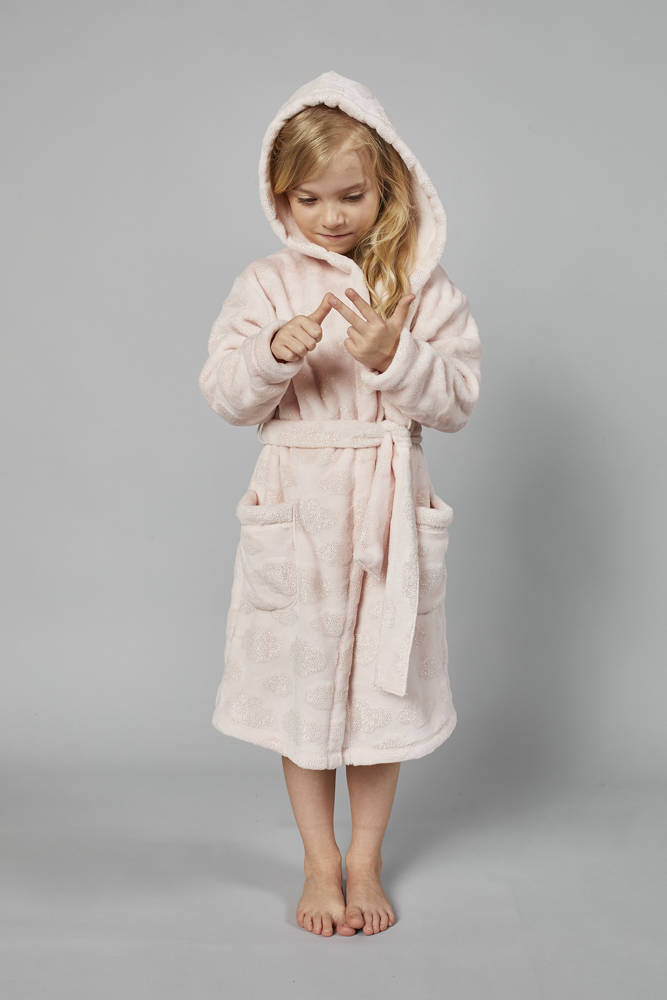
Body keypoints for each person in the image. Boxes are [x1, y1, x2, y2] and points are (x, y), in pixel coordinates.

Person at [198, 70, 482, 937]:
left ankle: (365, 858)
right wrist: (271, 355)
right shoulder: (264, 283)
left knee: (380, 699)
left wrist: (396, 355)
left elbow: (457, 402)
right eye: (309, 198)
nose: (331, 216)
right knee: (304, 692)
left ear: (387, 186)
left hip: (386, 508)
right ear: (281, 195)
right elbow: (225, 395)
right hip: (300, 512)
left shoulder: (422, 288)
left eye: (351, 196)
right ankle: (319, 862)